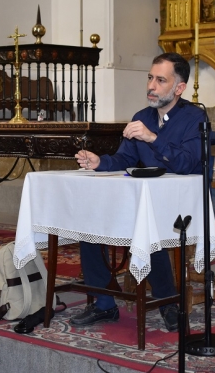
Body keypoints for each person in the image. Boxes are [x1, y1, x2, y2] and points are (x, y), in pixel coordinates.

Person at [71, 52, 206, 332]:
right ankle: (104, 304)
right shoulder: (142, 116)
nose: (151, 86)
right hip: (144, 200)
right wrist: (100, 162)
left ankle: (168, 302)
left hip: (182, 206)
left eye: (160, 80)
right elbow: (124, 159)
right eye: (149, 78)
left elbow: (189, 163)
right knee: (89, 226)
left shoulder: (195, 117)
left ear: (179, 88)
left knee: (148, 225)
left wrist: (152, 138)